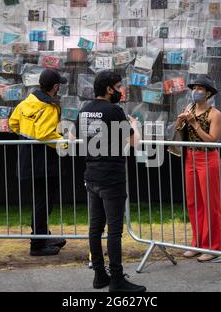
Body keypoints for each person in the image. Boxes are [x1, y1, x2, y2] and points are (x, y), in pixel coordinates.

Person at [71, 71, 146, 292]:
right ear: (108, 89)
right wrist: (135, 125)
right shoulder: (114, 111)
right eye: (118, 86)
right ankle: (117, 280)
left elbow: (73, 138)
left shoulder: (84, 110)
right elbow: (134, 143)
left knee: (95, 228)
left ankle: (99, 275)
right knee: (114, 231)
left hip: (91, 175)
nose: (121, 91)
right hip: (112, 177)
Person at [9, 68, 68, 256]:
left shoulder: (28, 102)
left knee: (40, 201)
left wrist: (30, 137)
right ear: (56, 87)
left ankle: (42, 235)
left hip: (28, 159)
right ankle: (38, 245)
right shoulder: (48, 106)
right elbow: (44, 134)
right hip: (44, 163)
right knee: (44, 202)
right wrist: (65, 144)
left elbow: (13, 123)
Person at [176, 74, 221, 262]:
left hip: (208, 157)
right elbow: (180, 133)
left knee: (210, 203)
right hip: (190, 157)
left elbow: (212, 140)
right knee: (193, 202)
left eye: (200, 88)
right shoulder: (189, 108)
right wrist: (181, 123)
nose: (196, 91)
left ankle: (213, 246)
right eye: (194, 88)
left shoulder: (215, 114)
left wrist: (195, 124)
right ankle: (197, 243)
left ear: (208, 93)